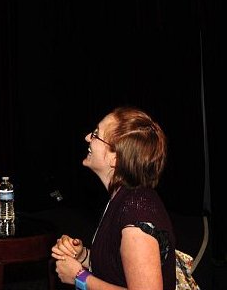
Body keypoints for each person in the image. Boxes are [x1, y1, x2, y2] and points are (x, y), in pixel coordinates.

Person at [51, 106, 176, 290]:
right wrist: (83, 256)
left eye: (96, 134)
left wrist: (80, 278)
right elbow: (117, 270)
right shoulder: (124, 197)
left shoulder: (136, 217)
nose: (88, 137)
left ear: (115, 158)